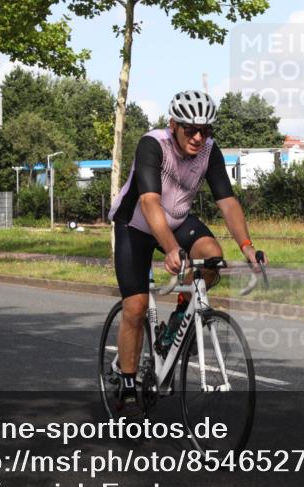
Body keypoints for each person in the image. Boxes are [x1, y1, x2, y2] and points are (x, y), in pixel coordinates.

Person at [108, 90, 265, 418]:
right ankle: (126, 384)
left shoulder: (208, 151)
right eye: (191, 129)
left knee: (211, 256)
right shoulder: (153, 144)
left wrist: (248, 247)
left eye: (206, 131)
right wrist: (169, 248)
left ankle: (178, 321)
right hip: (136, 224)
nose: (198, 137)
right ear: (173, 125)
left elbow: (227, 201)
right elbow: (150, 202)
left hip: (176, 219)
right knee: (135, 308)